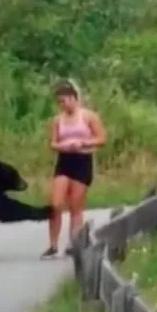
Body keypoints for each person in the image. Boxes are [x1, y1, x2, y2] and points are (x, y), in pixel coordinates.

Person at [40, 79, 107, 259]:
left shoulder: (88, 116)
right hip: (64, 161)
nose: (62, 105)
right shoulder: (57, 120)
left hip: (82, 160)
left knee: (75, 206)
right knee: (55, 204)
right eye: (59, 102)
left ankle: (73, 244)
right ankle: (53, 245)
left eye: (64, 101)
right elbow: (52, 143)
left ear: (73, 98)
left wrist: (84, 142)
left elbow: (101, 138)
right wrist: (64, 146)